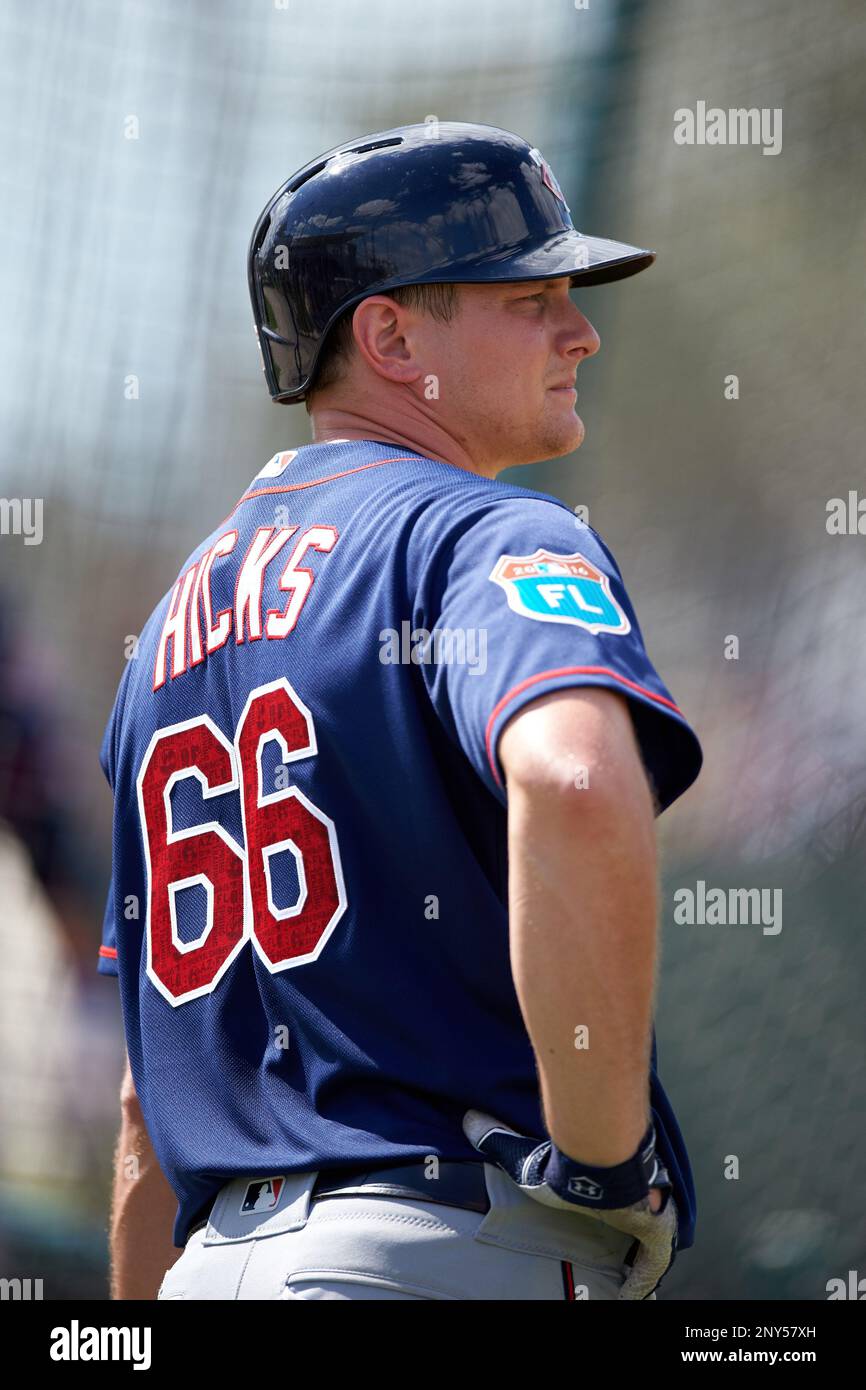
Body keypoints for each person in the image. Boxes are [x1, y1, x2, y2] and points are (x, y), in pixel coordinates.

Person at [98, 122, 702, 1301]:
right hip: (432, 1255)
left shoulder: (163, 633)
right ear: (387, 335)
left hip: (209, 1268)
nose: (577, 328)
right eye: (528, 296)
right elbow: (573, 781)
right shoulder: (483, 534)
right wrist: (598, 1161)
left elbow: (142, 1097)